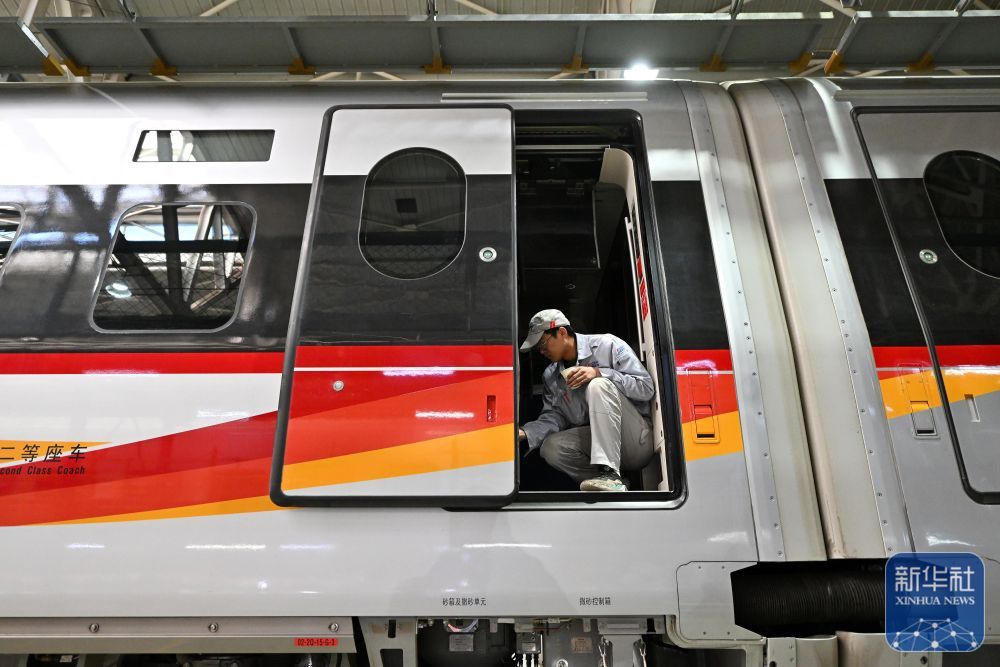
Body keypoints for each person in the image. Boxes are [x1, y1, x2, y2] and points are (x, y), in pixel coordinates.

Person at [518, 308, 655, 492]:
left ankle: (609, 474)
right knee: (551, 447)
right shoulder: (550, 376)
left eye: (543, 343)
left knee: (598, 385)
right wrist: (526, 432)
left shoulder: (607, 345)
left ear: (562, 332)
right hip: (599, 443)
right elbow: (554, 417)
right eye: (538, 348)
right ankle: (612, 482)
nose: (541, 351)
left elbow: (645, 388)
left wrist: (600, 373)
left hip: (635, 441)